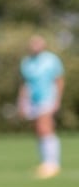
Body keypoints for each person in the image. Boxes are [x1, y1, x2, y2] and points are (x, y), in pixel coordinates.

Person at [22, 32, 63, 179]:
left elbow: (59, 80)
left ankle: (52, 164)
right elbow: (26, 84)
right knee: (39, 131)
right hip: (33, 100)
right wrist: (22, 102)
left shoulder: (51, 60)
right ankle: (45, 162)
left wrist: (57, 99)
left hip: (48, 98)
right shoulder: (26, 62)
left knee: (45, 128)